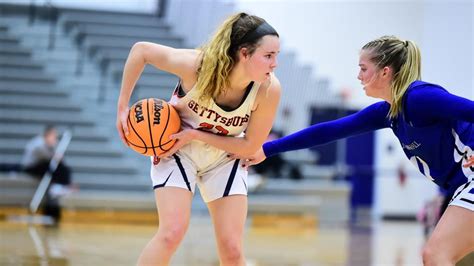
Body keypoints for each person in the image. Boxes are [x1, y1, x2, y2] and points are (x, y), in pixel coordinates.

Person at [242, 36, 474, 265]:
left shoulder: (419, 97)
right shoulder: (389, 112)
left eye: (363, 68)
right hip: (460, 187)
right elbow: (327, 131)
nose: (358, 76)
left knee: (436, 254)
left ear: (384, 72)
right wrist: (266, 149)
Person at [116, 12, 280, 266]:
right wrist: (122, 107)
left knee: (232, 250)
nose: (274, 64)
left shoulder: (268, 89)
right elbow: (141, 51)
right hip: (177, 148)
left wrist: (195, 133)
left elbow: (249, 146)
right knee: (171, 234)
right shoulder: (196, 67)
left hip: (225, 155)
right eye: (268, 56)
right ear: (244, 54)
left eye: (276, 56)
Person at [21, 125, 73, 223]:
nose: (55, 138)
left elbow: (59, 160)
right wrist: (55, 155)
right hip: (31, 166)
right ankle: (58, 187)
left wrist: (58, 156)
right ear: (47, 135)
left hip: (46, 167)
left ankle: (61, 186)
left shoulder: (54, 144)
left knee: (63, 168)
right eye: (53, 136)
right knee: (48, 166)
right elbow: (42, 156)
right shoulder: (38, 143)